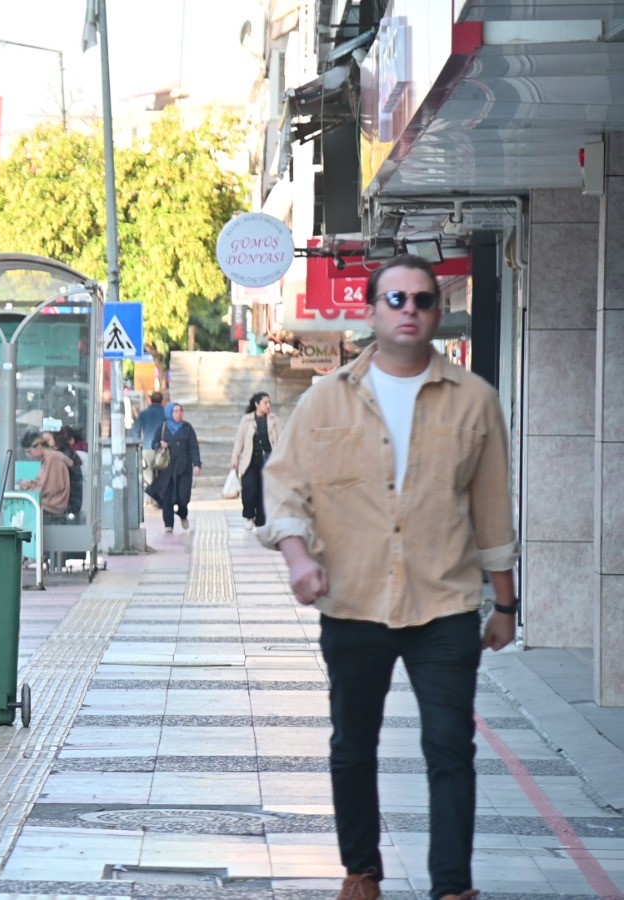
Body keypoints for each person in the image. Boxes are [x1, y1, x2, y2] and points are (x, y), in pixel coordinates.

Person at [259, 254, 516, 900]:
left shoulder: (476, 400)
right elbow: (284, 487)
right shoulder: (324, 402)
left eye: (423, 300)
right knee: (352, 745)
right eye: (395, 299)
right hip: (352, 602)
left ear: (438, 311)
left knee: (449, 748)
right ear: (370, 310)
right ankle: (361, 871)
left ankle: (453, 886)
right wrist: (298, 557)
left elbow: (491, 510)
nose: (409, 310)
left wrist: (505, 606)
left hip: (446, 604)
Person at [229, 392, 280, 533]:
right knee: (249, 489)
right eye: (265, 402)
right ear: (257, 404)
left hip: (268, 461)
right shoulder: (246, 420)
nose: (268, 405)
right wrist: (235, 460)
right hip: (250, 461)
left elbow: (280, 441)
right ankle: (249, 517)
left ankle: (261, 521)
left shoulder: (274, 419)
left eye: (269, 402)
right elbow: (239, 441)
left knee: (264, 491)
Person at [146, 402, 200, 534]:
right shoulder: (163, 427)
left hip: (184, 468)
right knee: (167, 498)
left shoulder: (187, 428)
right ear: (170, 413)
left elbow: (193, 447)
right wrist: (160, 444)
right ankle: (168, 525)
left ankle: (183, 514)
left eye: (180, 411)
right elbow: (153, 443)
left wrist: (197, 464)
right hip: (166, 470)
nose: (179, 413)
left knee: (184, 497)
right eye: (175, 411)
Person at [17, 434, 72, 517]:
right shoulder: (51, 458)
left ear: (38, 445)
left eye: (29, 451)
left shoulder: (52, 459)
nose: (29, 455)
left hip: (50, 506)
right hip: (50, 505)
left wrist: (26, 487)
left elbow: (47, 488)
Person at [133, 391, 167, 471]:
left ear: (151, 401)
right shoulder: (166, 414)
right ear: (162, 401)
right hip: (162, 449)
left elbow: (135, 431)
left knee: (148, 474)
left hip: (147, 447)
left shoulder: (143, 414)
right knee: (163, 474)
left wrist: (136, 446)